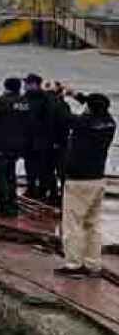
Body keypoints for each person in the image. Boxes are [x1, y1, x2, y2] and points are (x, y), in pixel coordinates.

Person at [56, 93, 115, 277]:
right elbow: (95, 109)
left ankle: (73, 264)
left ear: (89, 109)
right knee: (93, 224)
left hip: (78, 180)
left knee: (73, 224)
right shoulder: (110, 123)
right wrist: (76, 95)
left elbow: (63, 116)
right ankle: (93, 264)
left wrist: (57, 96)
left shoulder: (83, 123)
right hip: (98, 178)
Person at [0, 77, 31, 218]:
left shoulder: (2, 101)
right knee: (10, 176)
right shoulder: (25, 102)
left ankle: (4, 208)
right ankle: (13, 205)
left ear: (6, 87)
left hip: (1, 144)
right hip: (18, 145)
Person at [21, 74, 56, 201]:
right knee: (29, 166)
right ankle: (31, 189)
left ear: (35, 84)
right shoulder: (25, 97)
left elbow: (49, 120)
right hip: (27, 139)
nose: (25, 86)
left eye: (27, 83)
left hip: (42, 140)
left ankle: (43, 191)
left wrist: (47, 138)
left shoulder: (45, 99)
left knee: (43, 168)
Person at [46, 81, 73, 205]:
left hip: (53, 142)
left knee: (50, 171)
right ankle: (62, 195)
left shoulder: (50, 103)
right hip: (62, 142)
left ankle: (53, 195)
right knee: (61, 172)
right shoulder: (64, 105)